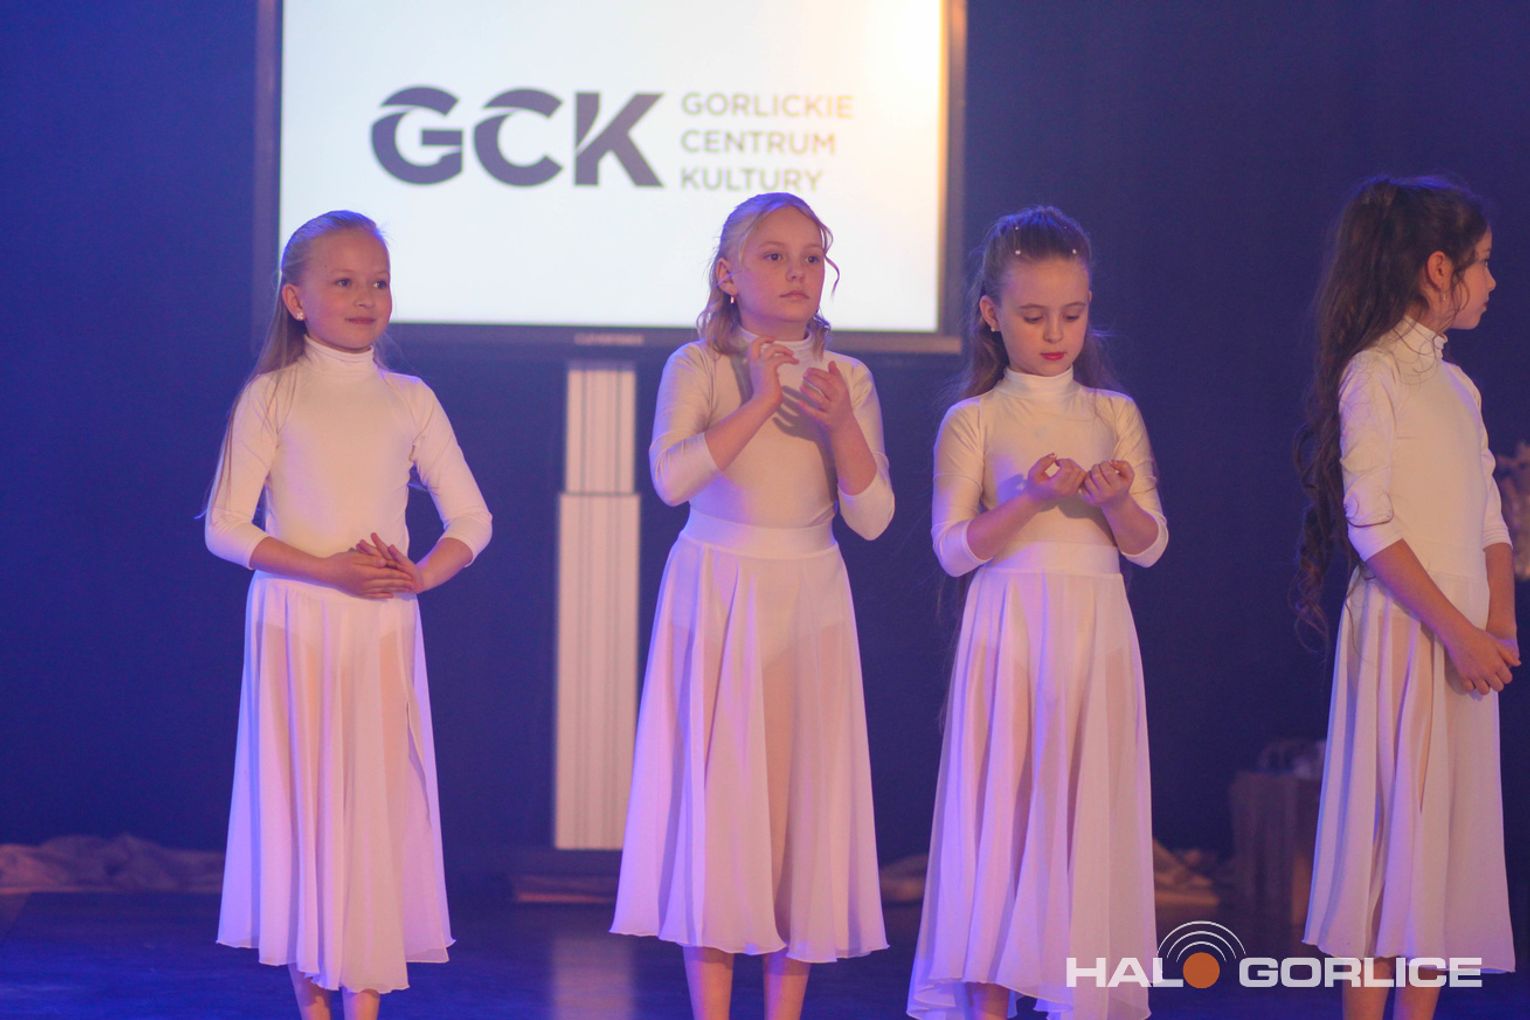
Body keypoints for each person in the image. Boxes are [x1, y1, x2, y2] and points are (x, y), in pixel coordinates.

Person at [612, 192, 893, 1020]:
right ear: (729, 275)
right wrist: (761, 400)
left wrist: (841, 426)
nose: (797, 272)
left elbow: (874, 518)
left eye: (812, 257)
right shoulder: (698, 366)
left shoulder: (850, 379)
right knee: (717, 808)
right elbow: (672, 479)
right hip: (717, 592)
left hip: (809, 597)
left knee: (797, 807)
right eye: (774, 256)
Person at [205, 210, 492, 1020]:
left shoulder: (411, 399)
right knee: (303, 809)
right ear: (296, 299)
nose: (367, 297)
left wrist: (420, 576)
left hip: (379, 629)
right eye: (344, 281)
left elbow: (473, 519)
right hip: (296, 625)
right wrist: (325, 568)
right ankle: (314, 1003)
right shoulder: (273, 395)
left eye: (379, 282)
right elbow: (225, 527)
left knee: (370, 810)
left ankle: (361, 1004)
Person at [909, 207, 1166, 1020]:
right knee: (1005, 814)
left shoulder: (1113, 411)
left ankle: (1080, 998)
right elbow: (954, 549)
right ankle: (990, 997)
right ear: (991, 313)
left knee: (1085, 810)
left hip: (1095, 630)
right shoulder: (976, 418)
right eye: (1032, 315)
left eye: (1072, 314)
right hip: (1010, 632)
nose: (1055, 334)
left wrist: (1117, 502)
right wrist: (1027, 500)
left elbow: (1151, 545)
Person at [1295, 176, 1517, 1020]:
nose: (1493, 281)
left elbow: (1490, 519)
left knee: (1441, 858)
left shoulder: (1459, 389)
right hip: (1405, 628)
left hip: (1463, 637)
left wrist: (1497, 627)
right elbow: (1371, 523)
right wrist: (1458, 632)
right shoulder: (1374, 372)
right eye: (1482, 263)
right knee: (1390, 847)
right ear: (1437, 269)